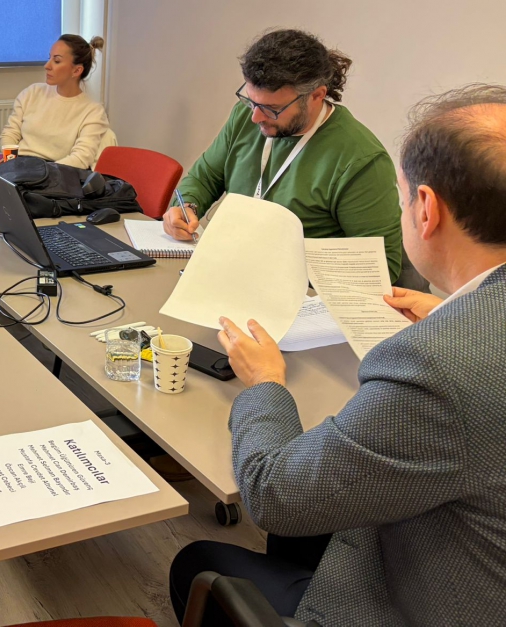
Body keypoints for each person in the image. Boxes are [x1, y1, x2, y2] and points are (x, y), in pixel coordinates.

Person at [169, 84, 506, 626]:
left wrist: (265, 383)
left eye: (402, 198)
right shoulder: (466, 333)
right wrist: (453, 310)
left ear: (426, 209)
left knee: (196, 562)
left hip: (426, 600)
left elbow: (273, 494)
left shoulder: (438, 368)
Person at [164, 29, 403, 282]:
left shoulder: (360, 161)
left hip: (300, 291)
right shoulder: (246, 117)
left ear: (317, 95)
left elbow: (381, 268)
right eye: (251, 101)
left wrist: (282, 263)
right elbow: (205, 178)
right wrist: (186, 207)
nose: (255, 117)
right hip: (235, 272)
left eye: (272, 108)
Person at [0, 34, 114, 170]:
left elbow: (81, 158)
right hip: (19, 168)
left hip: (55, 174)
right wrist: (11, 165)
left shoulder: (93, 111)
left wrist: (41, 173)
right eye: (49, 58)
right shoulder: (32, 93)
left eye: (57, 61)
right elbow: (10, 134)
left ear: (77, 70)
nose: (47, 66)